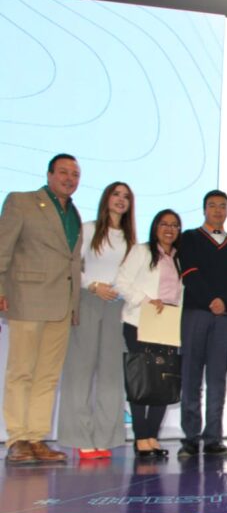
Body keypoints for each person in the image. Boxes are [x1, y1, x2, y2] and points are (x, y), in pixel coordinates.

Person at [0, 153, 82, 464]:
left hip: (61, 305)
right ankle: (17, 438)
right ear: (49, 175)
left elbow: (72, 262)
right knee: (21, 371)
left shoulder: (74, 214)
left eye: (75, 174)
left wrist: (74, 305)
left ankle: (36, 438)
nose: (69, 179)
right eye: (63, 172)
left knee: (48, 376)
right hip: (28, 297)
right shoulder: (21, 202)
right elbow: (2, 247)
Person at [57, 182, 136, 460]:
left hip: (117, 308)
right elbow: (74, 266)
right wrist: (93, 286)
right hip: (89, 301)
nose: (121, 200)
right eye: (116, 194)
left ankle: (106, 437)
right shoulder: (88, 229)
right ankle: (80, 437)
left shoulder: (131, 240)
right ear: (106, 199)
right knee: (80, 371)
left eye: (126, 197)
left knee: (111, 375)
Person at [177, 190, 227, 457]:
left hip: (225, 319)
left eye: (223, 206)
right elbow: (190, 273)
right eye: (213, 206)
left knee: (217, 379)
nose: (218, 210)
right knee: (191, 377)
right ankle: (191, 438)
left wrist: (224, 303)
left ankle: (214, 437)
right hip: (196, 313)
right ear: (204, 209)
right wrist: (210, 300)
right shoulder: (191, 238)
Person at [114, 209, 183, 458]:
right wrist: (144, 301)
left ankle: (153, 436)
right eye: (164, 224)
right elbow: (121, 281)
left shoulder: (180, 258)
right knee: (142, 379)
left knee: (163, 381)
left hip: (168, 326)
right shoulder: (141, 251)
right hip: (139, 322)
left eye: (175, 225)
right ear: (155, 227)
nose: (169, 229)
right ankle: (141, 437)